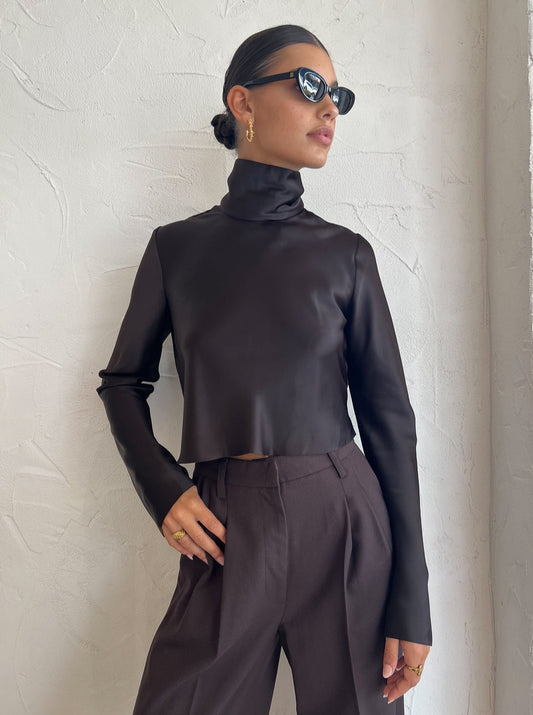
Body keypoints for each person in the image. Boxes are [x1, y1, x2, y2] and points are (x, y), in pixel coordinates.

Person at [97, 24, 432, 715]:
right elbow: (122, 384)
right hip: (223, 524)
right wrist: (163, 488)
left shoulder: (345, 255)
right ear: (243, 101)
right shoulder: (176, 250)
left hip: (341, 519)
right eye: (309, 86)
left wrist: (412, 600)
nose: (329, 107)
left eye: (338, 94)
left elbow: (389, 424)